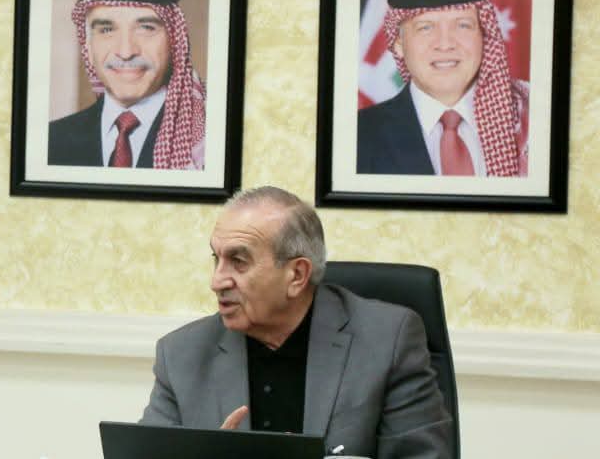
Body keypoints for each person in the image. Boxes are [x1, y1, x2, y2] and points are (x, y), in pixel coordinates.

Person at [139, 186, 453, 458]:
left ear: (297, 275)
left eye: (238, 261)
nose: (217, 281)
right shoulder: (181, 355)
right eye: (216, 259)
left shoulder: (387, 341)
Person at [358, 0, 529, 176]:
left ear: (484, 36)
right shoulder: (357, 136)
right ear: (399, 44)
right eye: (426, 27)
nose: (445, 43)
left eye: (463, 25)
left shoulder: (531, 119)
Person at [47, 0, 206, 170]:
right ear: (88, 46)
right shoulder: (52, 141)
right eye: (106, 30)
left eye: (146, 28)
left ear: (174, 43)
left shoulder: (207, 141)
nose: (125, 52)